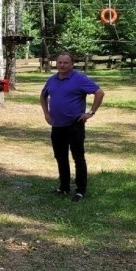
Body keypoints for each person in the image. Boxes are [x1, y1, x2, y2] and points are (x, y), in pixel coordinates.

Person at [40, 52, 105, 201]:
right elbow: (43, 96)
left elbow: (99, 93)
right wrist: (46, 114)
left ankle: (80, 190)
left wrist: (91, 112)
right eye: (59, 62)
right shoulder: (52, 80)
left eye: (65, 63)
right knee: (60, 157)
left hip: (75, 125)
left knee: (78, 157)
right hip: (57, 125)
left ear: (72, 64)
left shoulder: (79, 79)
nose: (62, 65)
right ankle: (63, 187)